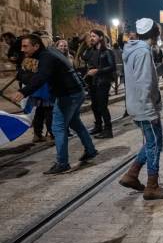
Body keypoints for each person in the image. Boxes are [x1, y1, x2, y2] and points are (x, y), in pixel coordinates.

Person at [12, 34, 98, 174]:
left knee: (58, 127)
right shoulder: (50, 52)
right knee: (75, 122)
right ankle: (90, 150)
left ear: (36, 46)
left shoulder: (46, 57)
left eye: (25, 46)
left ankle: (62, 163)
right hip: (76, 92)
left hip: (68, 95)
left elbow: (41, 77)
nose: (23, 49)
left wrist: (24, 91)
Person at [118, 18, 163, 200]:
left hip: (137, 104)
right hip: (144, 107)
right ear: (154, 33)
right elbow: (144, 83)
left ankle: (132, 175)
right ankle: (152, 186)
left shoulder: (132, 49)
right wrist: (151, 111)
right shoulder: (143, 52)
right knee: (154, 145)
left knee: (154, 142)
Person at [82, 30, 116, 139]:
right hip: (93, 82)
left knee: (102, 106)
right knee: (94, 106)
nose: (91, 38)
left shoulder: (107, 51)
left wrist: (98, 71)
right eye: (90, 36)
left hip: (103, 82)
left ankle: (108, 130)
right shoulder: (91, 51)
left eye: (94, 36)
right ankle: (98, 126)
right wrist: (86, 45)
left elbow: (112, 67)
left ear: (100, 37)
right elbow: (83, 57)